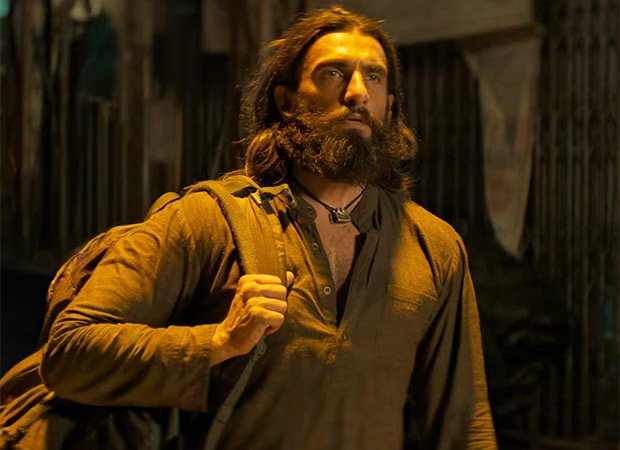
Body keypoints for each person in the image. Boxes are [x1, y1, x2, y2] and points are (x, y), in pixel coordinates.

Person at [39, 7, 497, 449]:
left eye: (374, 77)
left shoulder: (433, 247)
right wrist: (216, 341)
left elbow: (464, 425)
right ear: (287, 101)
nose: (357, 92)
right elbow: (69, 352)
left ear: (389, 105)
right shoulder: (209, 220)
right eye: (333, 73)